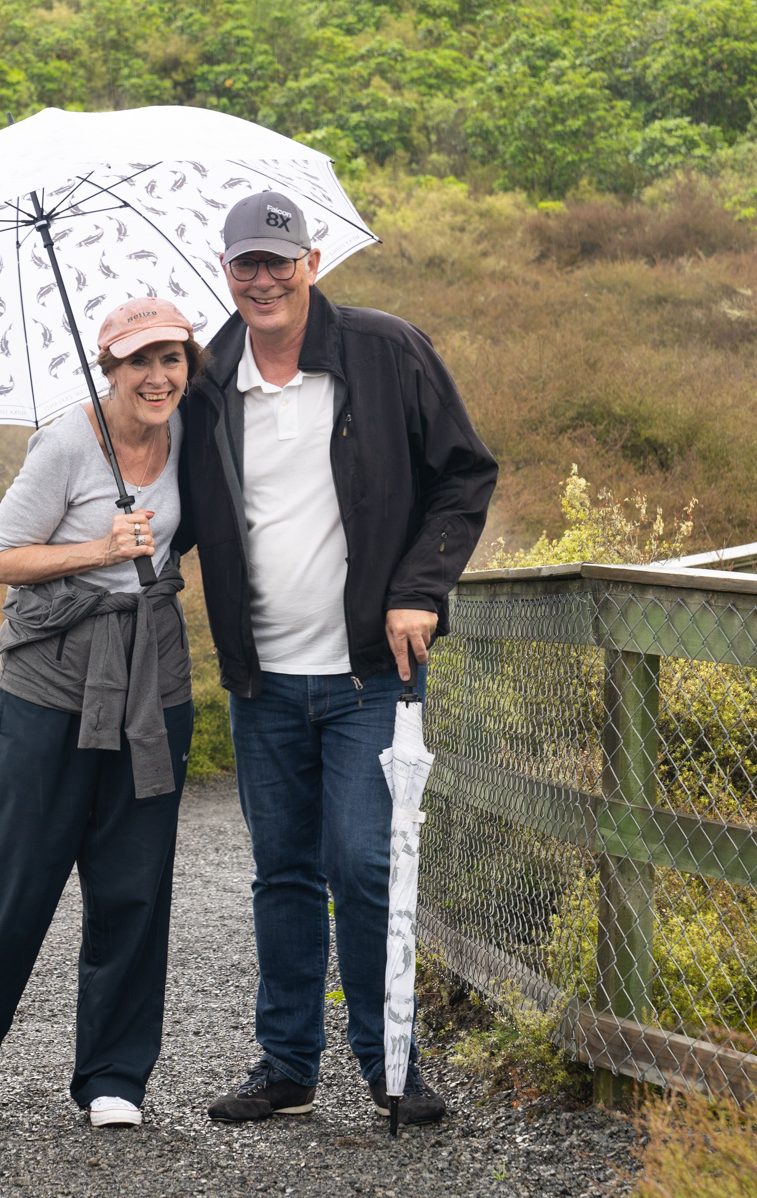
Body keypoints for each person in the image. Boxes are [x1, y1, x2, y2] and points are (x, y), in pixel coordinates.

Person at [175, 191, 498, 1126]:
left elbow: (465, 474)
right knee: (282, 873)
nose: (263, 279)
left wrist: (420, 588)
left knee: (362, 864)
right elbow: (180, 505)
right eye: (246, 264)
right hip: (262, 680)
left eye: (279, 261)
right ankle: (287, 1067)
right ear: (226, 271)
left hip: (371, 675)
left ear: (312, 263)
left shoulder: (386, 350)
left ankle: (390, 1066)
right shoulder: (206, 381)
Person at [0, 298, 206, 1129]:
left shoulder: (194, 435)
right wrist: (101, 547)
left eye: (171, 359)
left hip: (151, 683)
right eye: (138, 361)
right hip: (47, 686)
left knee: (134, 885)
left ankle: (114, 1080)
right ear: (109, 368)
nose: (157, 377)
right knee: (14, 878)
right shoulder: (65, 443)